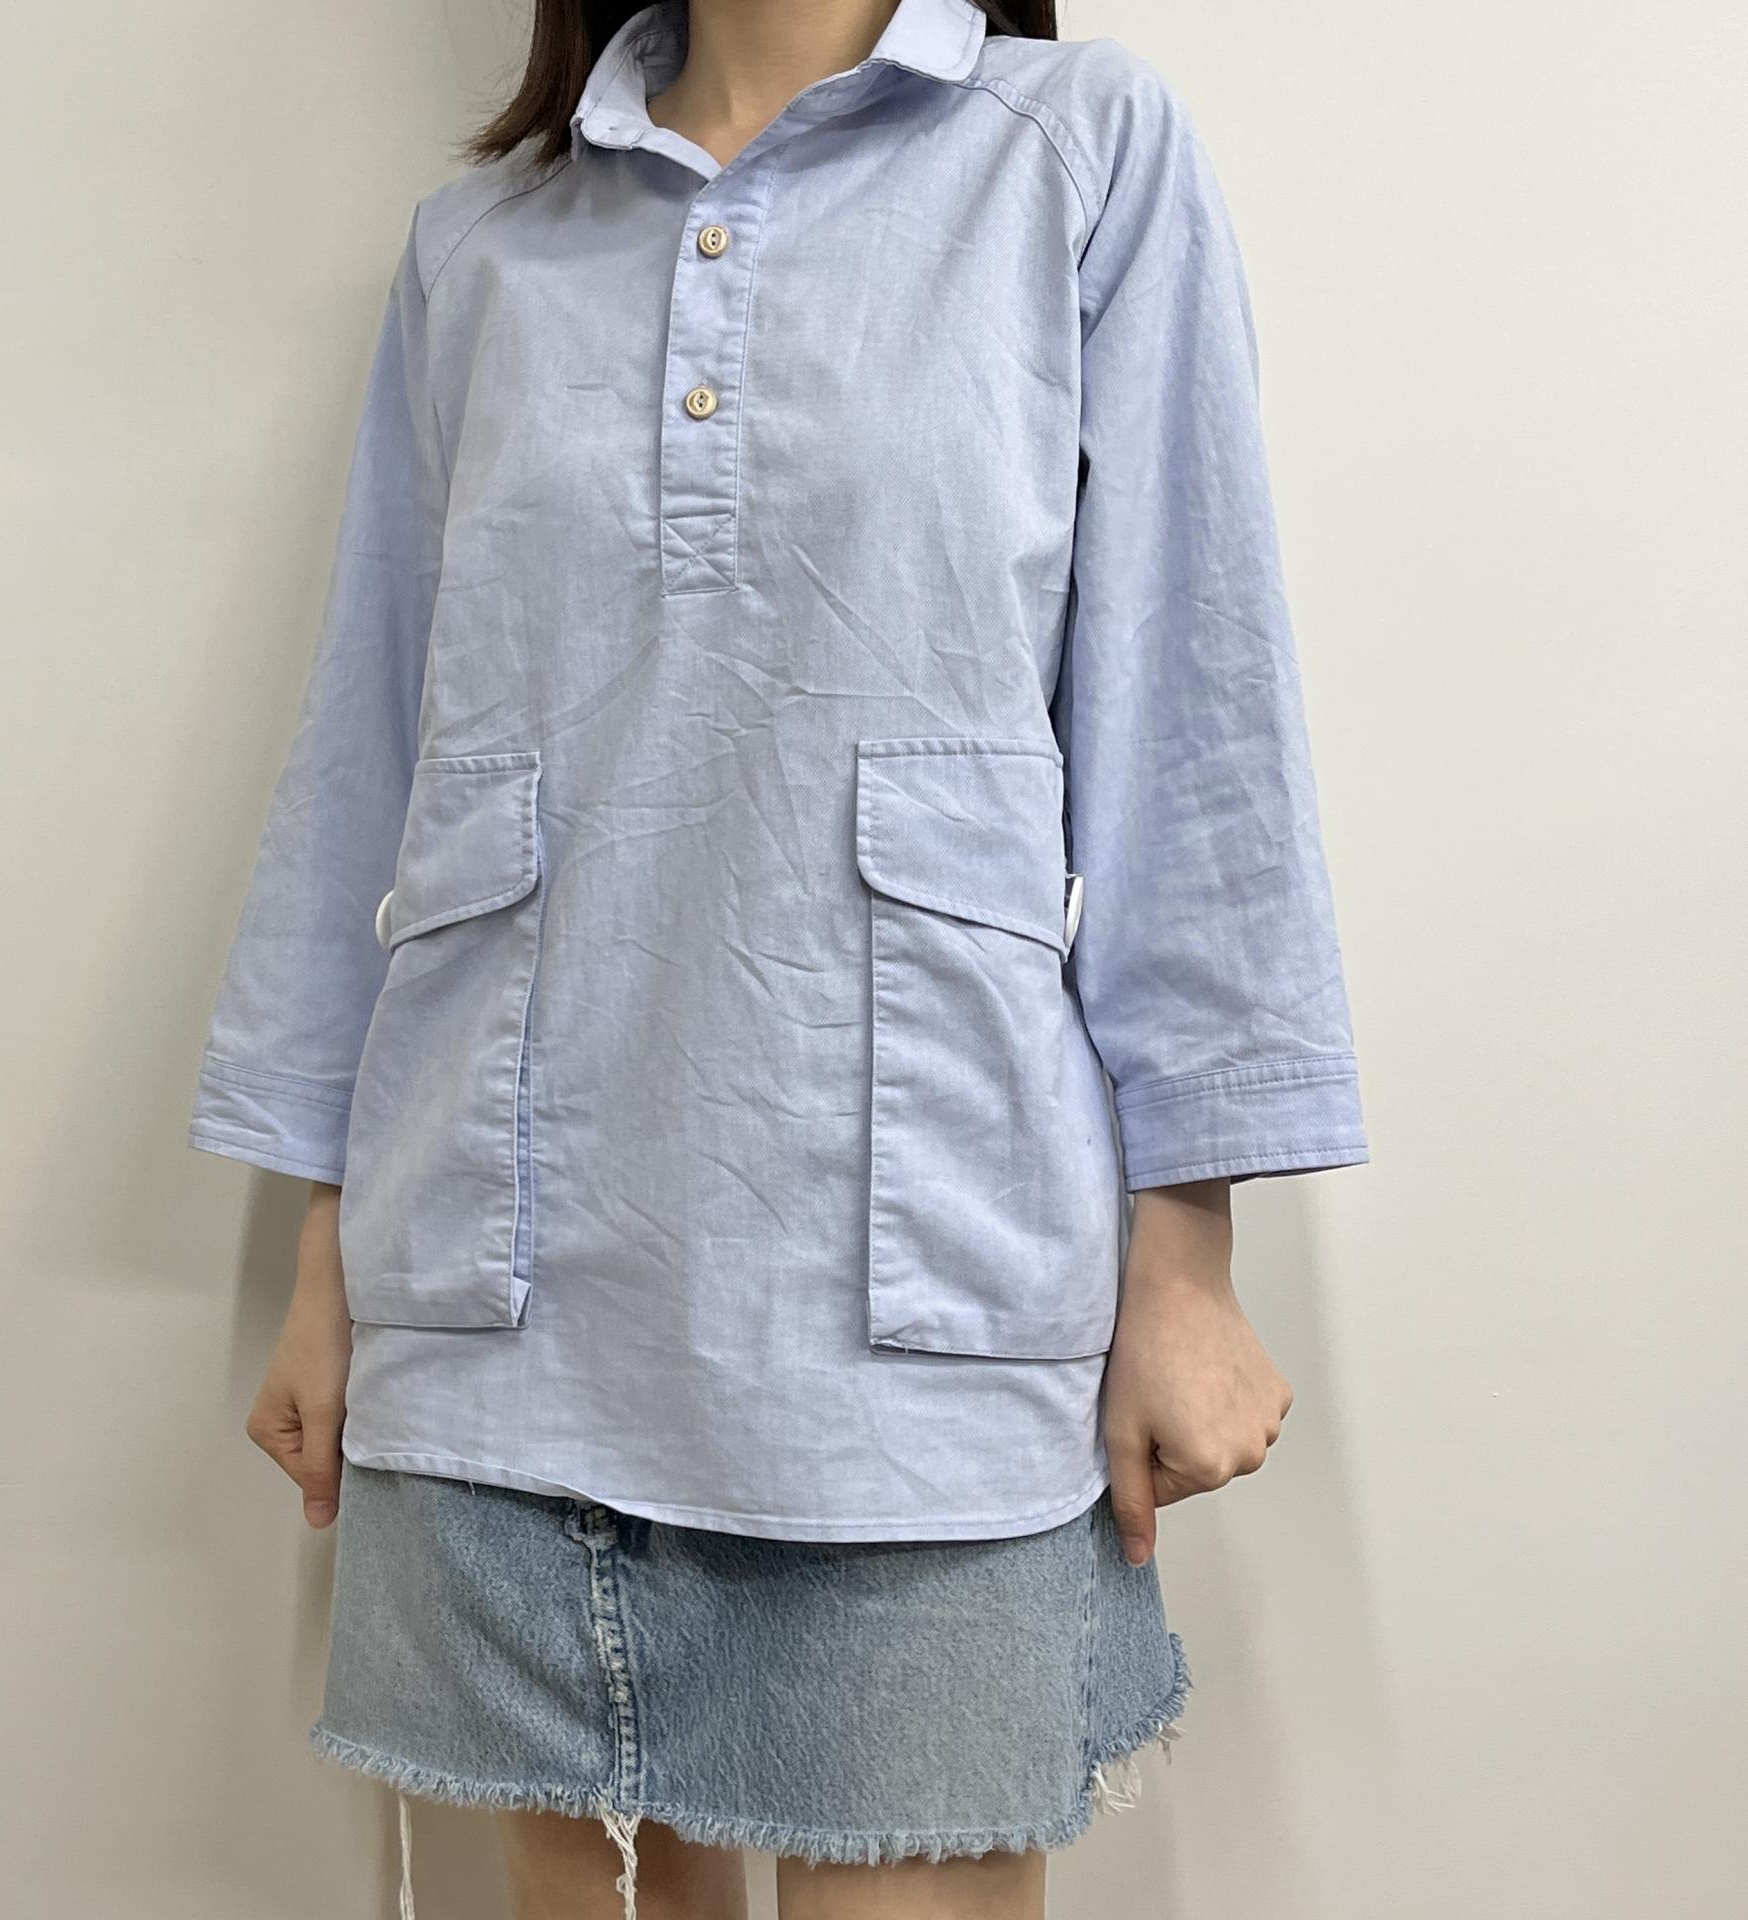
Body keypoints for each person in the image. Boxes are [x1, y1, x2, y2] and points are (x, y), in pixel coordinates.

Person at [186, 0, 1369, 1913]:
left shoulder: (1069, 151)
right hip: (501, 1314)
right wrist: (332, 1263)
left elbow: (1193, 707)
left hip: (913, 1318)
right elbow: (375, 761)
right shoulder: (483, 245)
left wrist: (1188, 1255)